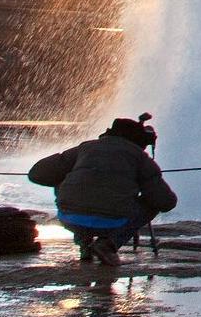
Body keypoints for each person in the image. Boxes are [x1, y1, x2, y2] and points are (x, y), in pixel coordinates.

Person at [27, 114, 177, 266]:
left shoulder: (86, 148)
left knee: (61, 178)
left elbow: (37, 173)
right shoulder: (140, 158)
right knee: (151, 204)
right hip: (112, 222)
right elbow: (166, 202)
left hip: (70, 218)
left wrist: (71, 181)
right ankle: (109, 244)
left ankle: (84, 243)